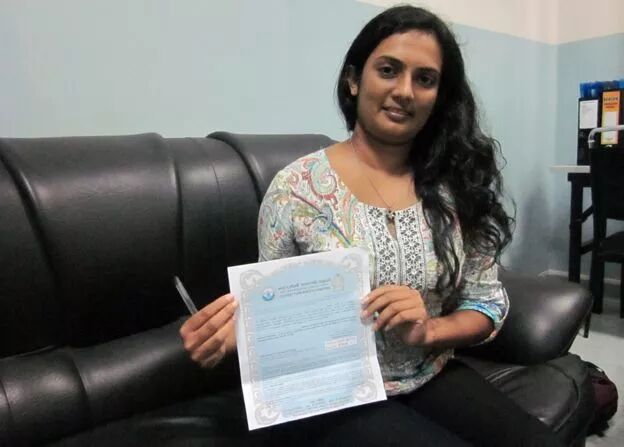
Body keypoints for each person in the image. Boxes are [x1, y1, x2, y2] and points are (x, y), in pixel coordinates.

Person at [180, 5, 564, 446]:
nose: (405, 91)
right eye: (388, 70)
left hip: (430, 371)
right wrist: (235, 338)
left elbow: (487, 304)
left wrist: (429, 330)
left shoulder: (455, 186)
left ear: (439, 96)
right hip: (332, 394)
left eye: (425, 79)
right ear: (353, 79)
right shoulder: (296, 190)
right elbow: (276, 316)